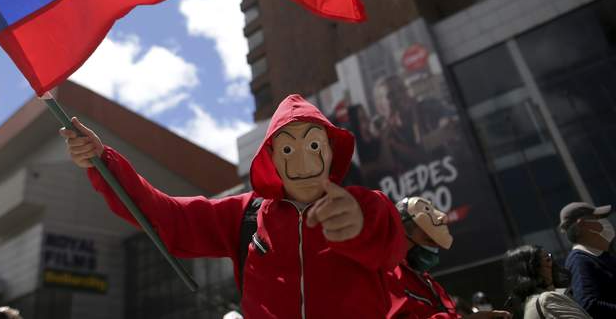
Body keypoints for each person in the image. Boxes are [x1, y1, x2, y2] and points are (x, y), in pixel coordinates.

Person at [61, 94, 407, 319]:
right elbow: (166, 215)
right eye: (287, 149)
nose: (302, 162)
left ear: (331, 150)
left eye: (314, 145)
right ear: (271, 157)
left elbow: (393, 248)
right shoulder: (245, 215)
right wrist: (103, 161)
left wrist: (360, 226)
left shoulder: (368, 205)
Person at [385, 196, 511, 319]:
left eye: (435, 243)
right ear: (403, 234)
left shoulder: (428, 281)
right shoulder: (389, 276)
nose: (433, 249)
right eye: (428, 240)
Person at [558, 202, 616, 318]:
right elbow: (588, 304)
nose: (605, 222)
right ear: (583, 224)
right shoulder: (580, 261)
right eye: (598, 218)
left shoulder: (603, 255)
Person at [503, 244, 590, 319]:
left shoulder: (529, 304)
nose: (553, 263)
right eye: (548, 259)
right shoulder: (547, 299)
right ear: (534, 270)